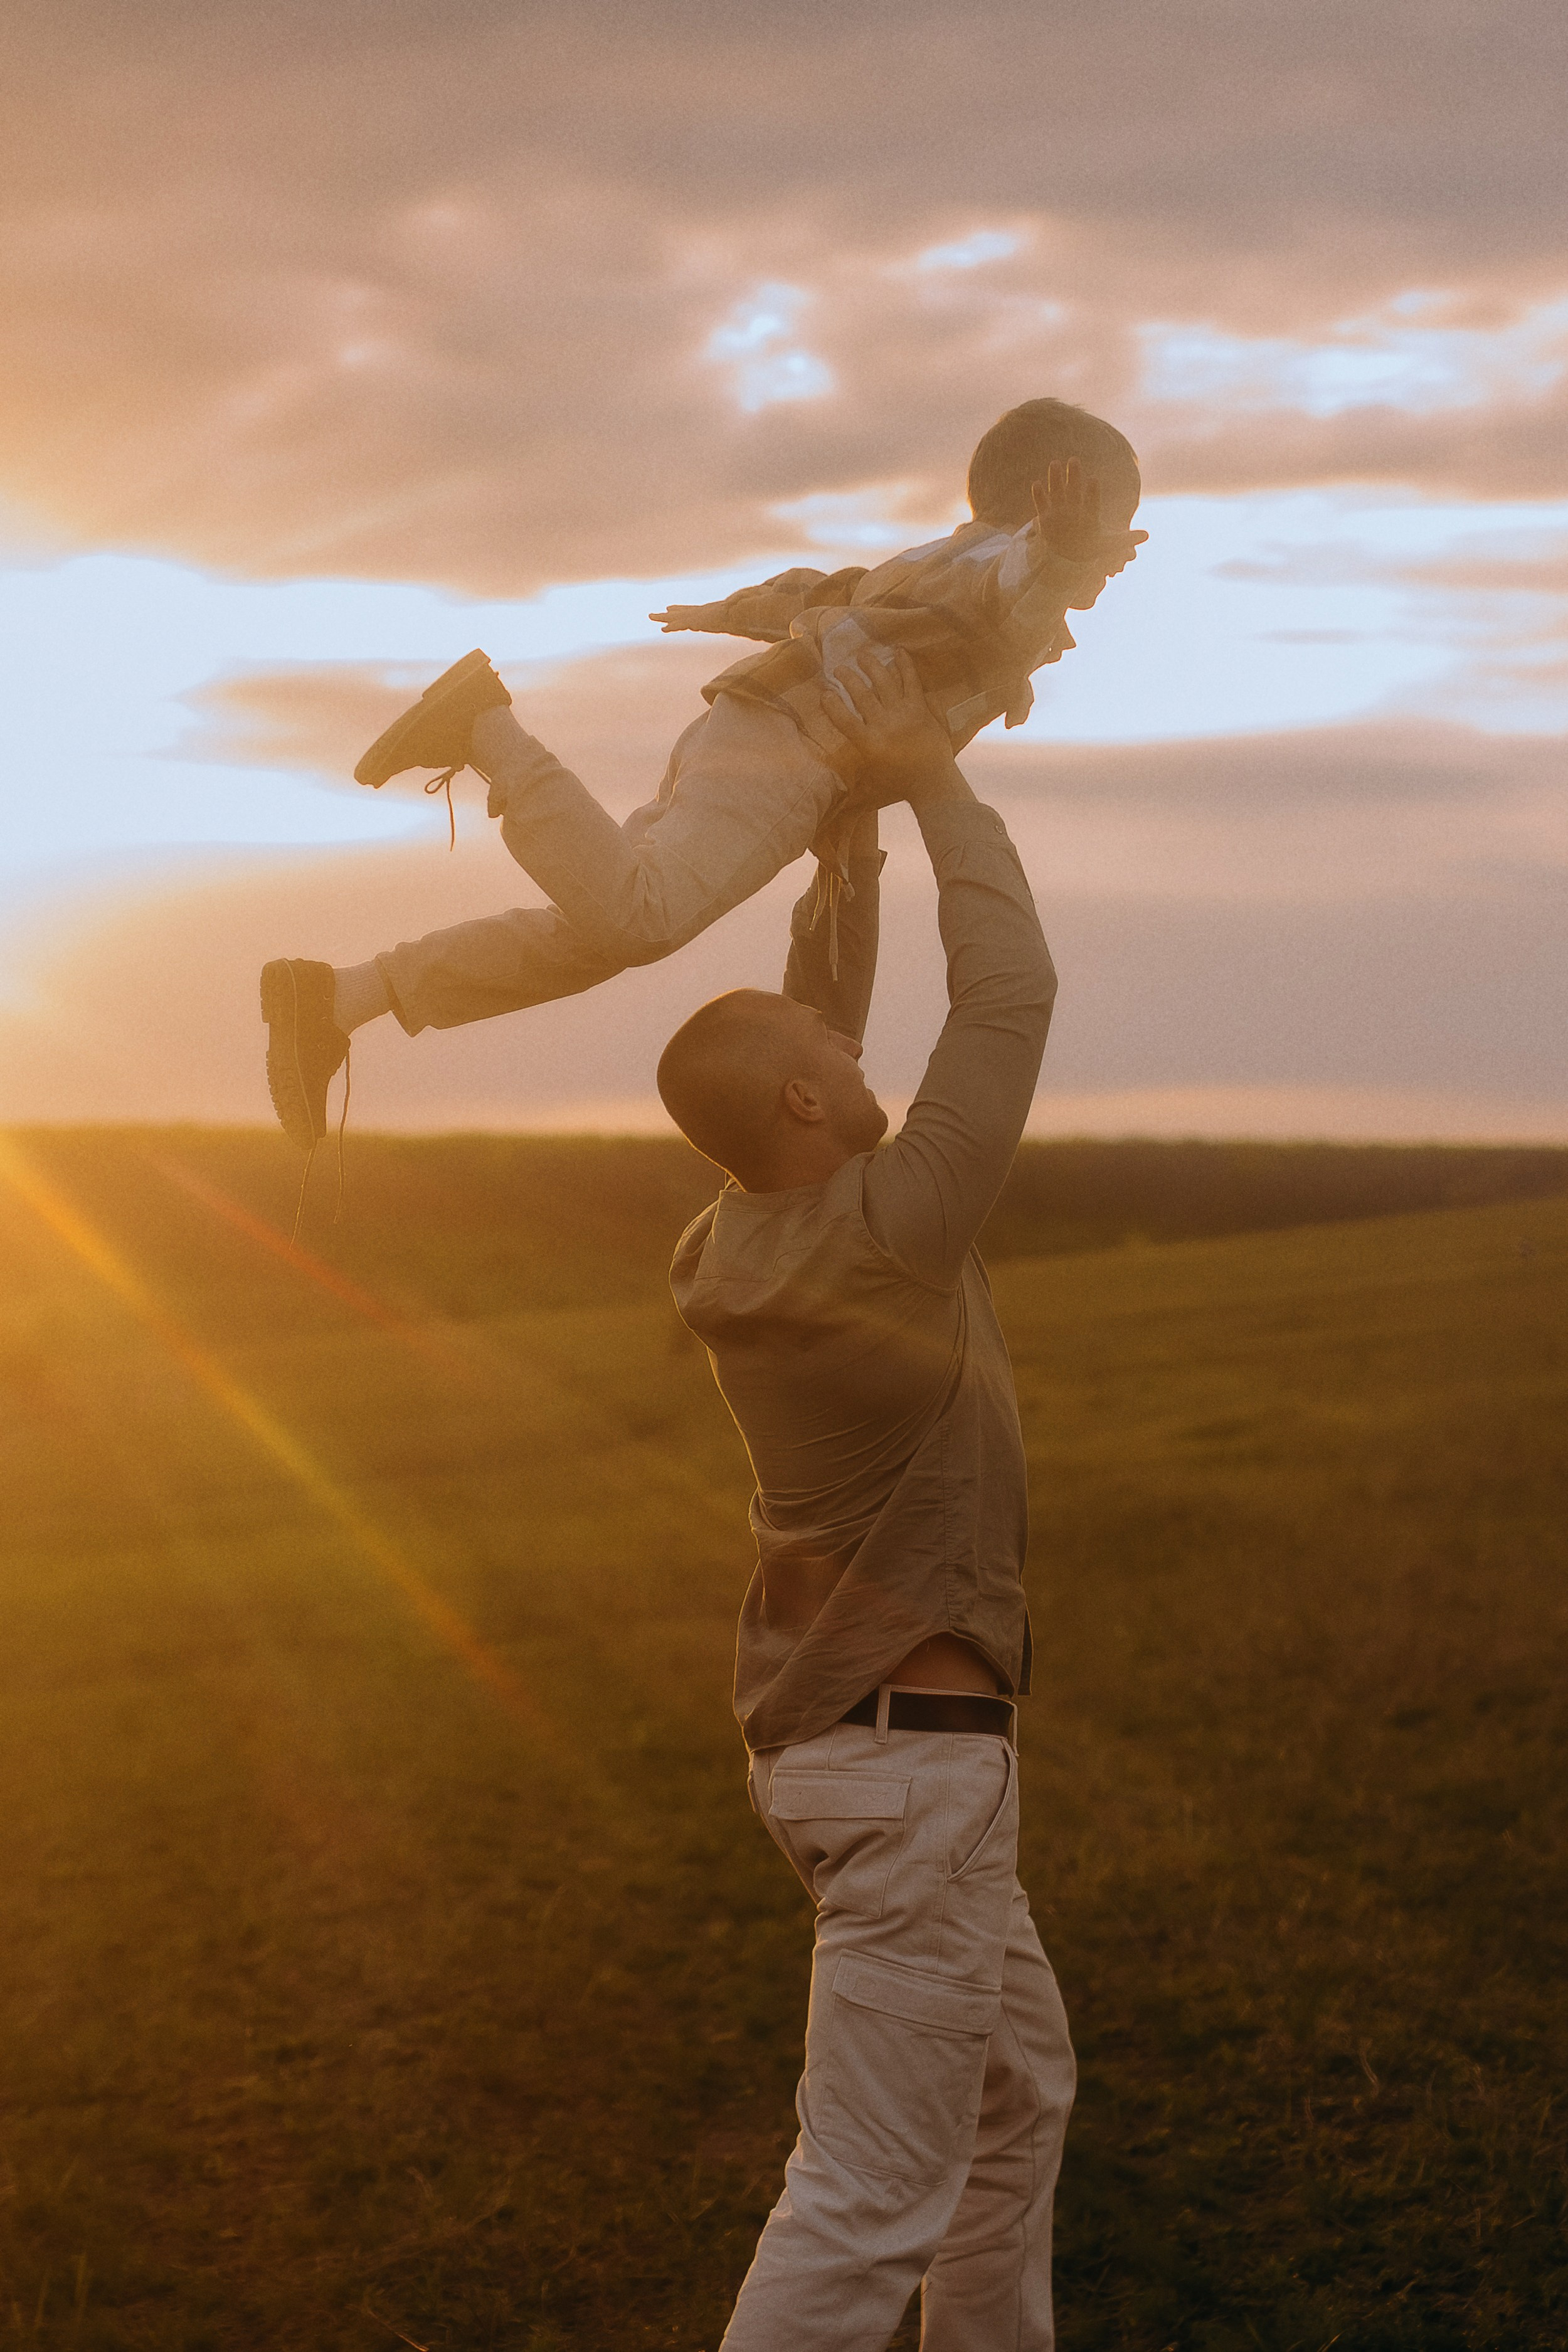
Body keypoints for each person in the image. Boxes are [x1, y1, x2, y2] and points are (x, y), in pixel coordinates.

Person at [657, 647, 1076, 2351]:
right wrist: (928, 770)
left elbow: (798, 1018)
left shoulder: (725, 1242)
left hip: (846, 1756)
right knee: (865, 2192)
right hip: (915, 1778)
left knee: (1012, 2101)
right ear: (807, 1100)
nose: (849, 1035)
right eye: (832, 1045)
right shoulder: (899, 1229)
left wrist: (843, 840)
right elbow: (1010, 996)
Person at [260, 399, 1144, 1150]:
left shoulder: (938, 563)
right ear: (1049, 500)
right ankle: (484, 724)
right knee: (644, 916)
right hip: (797, 753)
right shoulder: (1009, 577)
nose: (1120, 553)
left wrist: (725, 610)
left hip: (753, 729)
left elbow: (819, 594)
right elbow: (1025, 587)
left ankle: (342, 996)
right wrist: (1063, 554)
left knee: (601, 928)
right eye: (1111, 526)